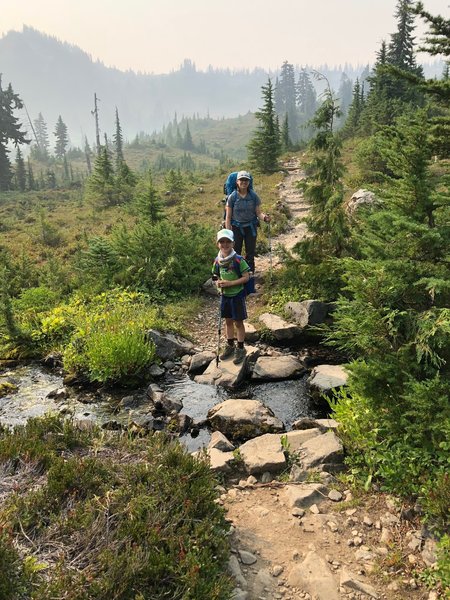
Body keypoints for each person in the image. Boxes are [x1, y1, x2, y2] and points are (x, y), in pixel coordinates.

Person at [213, 228, 250, 365]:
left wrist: (230, 283)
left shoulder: (238, 260)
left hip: (237, 296)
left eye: (228, 241)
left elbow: (246, 277)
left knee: (238, 322)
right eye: (222, 241)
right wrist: (217, 283)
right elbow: (215, 275)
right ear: (218, 244)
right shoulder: (218, 260)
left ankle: (240, 349)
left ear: (233, 243)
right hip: (225, 296)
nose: (225, 244)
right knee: (228, 321)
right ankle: (230, 346)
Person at [225, 170, 271, 274]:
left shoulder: (253, 196)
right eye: (241, 180)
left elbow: (258, 213)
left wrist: (265, 218)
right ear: (237, 181)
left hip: (251, 227)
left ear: (249, 182)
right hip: (236, 227)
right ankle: (237, 272)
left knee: (250, 251)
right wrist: (229, 233)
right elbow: (228, 217)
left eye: (246, 180)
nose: (244, 182)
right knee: (236, 251)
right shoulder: (232, 197)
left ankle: (250, 273)